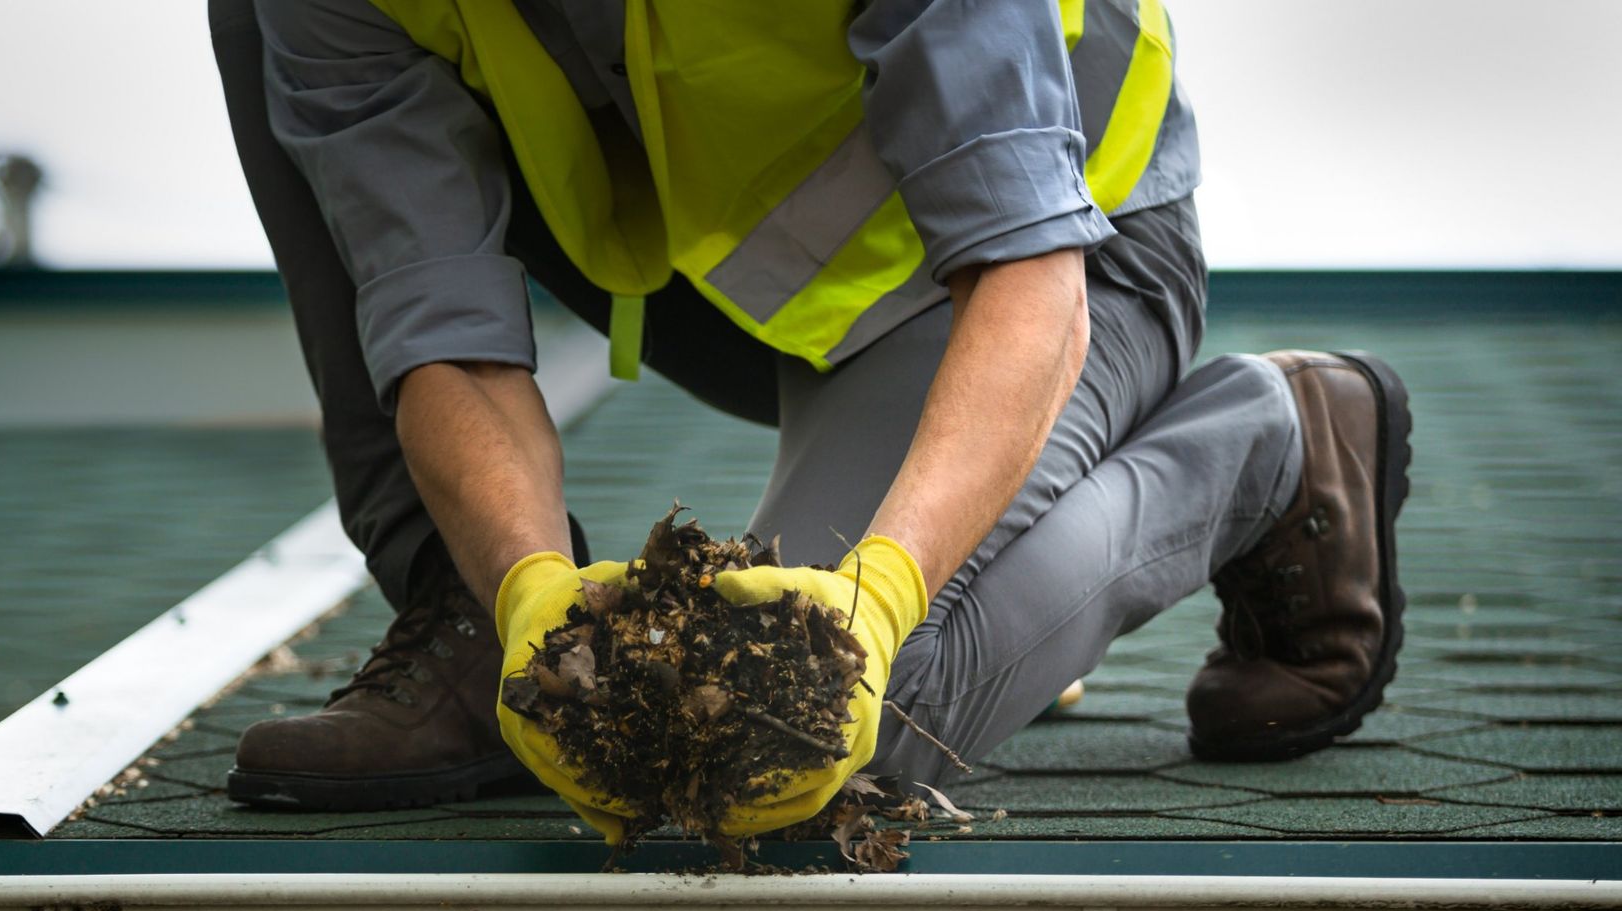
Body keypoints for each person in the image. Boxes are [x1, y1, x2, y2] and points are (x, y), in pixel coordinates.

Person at [208, 0, 1411, 840]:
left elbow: (1027, 283)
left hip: (1071, 247)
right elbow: (442, 331)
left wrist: (882, 597)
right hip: (748, 287)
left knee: (799, 723)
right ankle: (467, 625)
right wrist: (529, 598)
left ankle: (1274, 435)